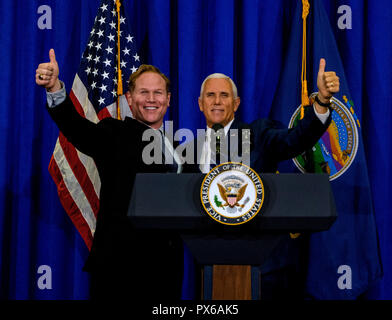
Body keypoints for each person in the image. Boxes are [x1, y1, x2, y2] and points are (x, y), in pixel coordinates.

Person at [183, 58, 340, 299]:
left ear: (236, 104)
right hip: (210, 269)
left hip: (263, 268)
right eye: (210, 95)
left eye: (224, 95)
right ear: (200, 104)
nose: (216, 101)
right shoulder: (188, 151)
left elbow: (294, 139)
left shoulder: (259, 134)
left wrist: (321, 102)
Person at [36, 49, 184, 300]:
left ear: (168, 99)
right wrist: (55, 89)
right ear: (129, 97)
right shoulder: (113, 133)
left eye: (158, 93)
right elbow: (78, 129)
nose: (151, 99)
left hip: (166, 271)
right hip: (119, 269)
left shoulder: (180, 149)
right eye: (143, 92)